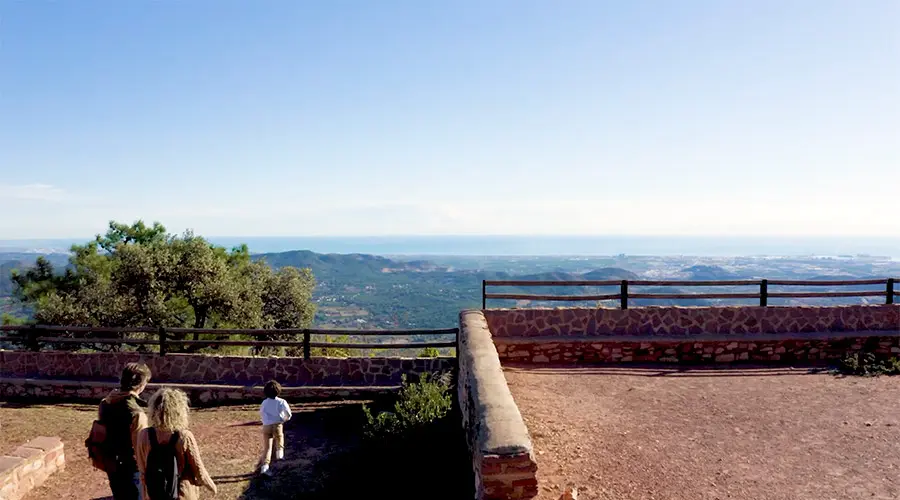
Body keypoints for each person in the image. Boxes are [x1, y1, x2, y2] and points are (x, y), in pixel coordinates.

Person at [136, 388, 217, 499]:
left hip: (154, 494)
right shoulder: (184, 436)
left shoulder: (144, 435)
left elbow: (142, 469)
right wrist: (212, 486)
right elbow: (199, 471)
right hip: (181, 493)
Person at [99, 362, 152, 500]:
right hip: (131, 469)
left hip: (111, 463)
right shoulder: (136, 414)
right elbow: (139, 448)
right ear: (140, 384)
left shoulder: (105, 403)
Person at [258, 380, 292, 476]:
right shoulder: (281, 402)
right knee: (280, 437)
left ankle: (264, 467)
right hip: (277, 424)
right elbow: (288, 414)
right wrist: (284, 419)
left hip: (267, 426)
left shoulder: (264, 402)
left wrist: (265, 421)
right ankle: (280, 453)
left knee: (267, 448)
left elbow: (261, 412)